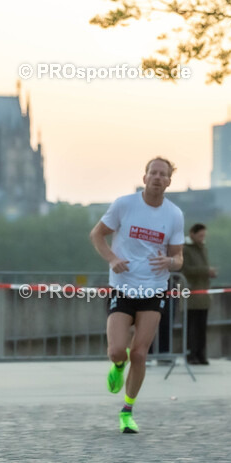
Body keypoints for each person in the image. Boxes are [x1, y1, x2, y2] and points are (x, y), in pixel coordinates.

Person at [90, 158, 184, 434]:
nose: (157, 177)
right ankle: (118, 364)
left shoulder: (174, 214)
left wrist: (170, 262)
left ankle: (127, 411)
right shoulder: (124, 205)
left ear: (168, 181)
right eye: (152, 173)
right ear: (144, 177)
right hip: (123, 285)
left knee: (140, 354)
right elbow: (97, 235)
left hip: (154, 289)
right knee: (118, 350)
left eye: (162, 174)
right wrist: (112, 259)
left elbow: (179, 257)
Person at [181, 223, 216, 365]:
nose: (202, 238)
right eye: (200, 235)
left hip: (203, 294)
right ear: (192, 234)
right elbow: (185, 269)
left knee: (201, 327)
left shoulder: (203, 249)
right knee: (191, 328)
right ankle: (191, 354)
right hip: (191, 294)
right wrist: (205, 270)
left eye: (204, 236)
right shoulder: (185, 249)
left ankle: (201, 354)